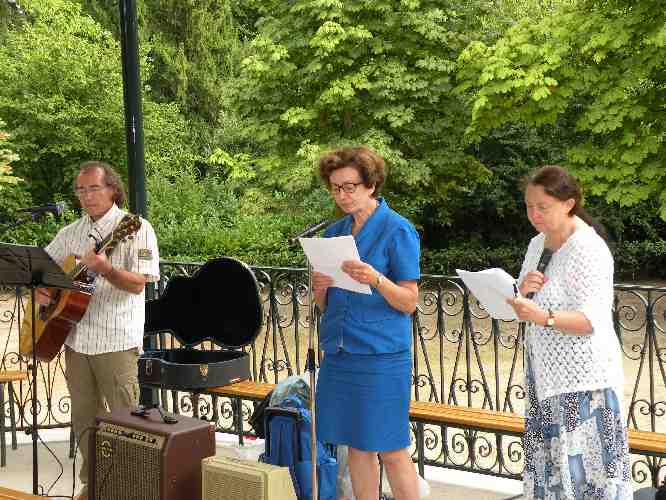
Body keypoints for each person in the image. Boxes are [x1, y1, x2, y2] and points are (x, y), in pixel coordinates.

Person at [506, 165, 631, 499]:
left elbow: (592, 319)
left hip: (583, 382)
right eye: (529, 206)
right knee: (552, 474)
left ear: (569, 203)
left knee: (588, 476)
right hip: (545, 377)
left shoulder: (588, 249)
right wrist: (522, 292)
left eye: (542, 207)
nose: (534, 214)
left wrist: (543, 316)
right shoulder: (537, 244)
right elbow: (523, 303)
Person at [37, 161, 160, 500]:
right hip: (76, 338)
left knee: (125, 420)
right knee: (84, 421)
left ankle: (131, 490)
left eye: (93, 188)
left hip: (116, 338)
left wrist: (106, 269)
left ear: (112, 189)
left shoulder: (135, 228)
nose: (86, 196)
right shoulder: (71, 232)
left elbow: (139, 284)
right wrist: (44, 291)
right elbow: (43, 272)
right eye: (80, 190)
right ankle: (93, 487)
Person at [312, 146, 421, 500]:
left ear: (371, 185)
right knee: (356, 445)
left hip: (380, 356)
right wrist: (320, 289)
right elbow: (326, 304)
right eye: (335, 188)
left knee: (390, 447)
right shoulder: (335, 233)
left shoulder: (398, 230)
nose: (342, 195)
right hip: (341, 352)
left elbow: (409, 301)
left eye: (350, 186)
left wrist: (376, 279)